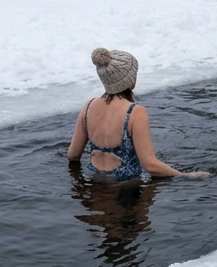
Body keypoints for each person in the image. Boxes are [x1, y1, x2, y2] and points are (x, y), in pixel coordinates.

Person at [67, 48, 208, 180]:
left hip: (95, 185)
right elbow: (150, 165)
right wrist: (186, 175)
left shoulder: (88, 106)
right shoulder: (135, 112)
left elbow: (73, 155)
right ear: (130, 81)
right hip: (126, 190)